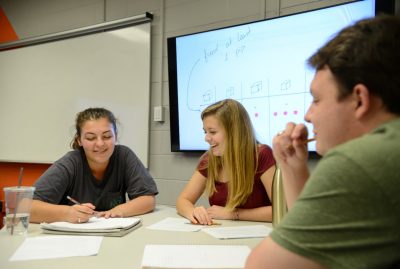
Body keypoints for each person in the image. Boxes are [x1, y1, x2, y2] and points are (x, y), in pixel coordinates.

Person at [245, 15, 400, 269]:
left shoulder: (360, 160)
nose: (308, 115)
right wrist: (294, 169)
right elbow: (314, 245)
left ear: (360, 100)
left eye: (316, 100)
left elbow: (261, 265)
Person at [30, 107, 158, 224]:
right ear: (79, 140)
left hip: (112, 233)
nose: (100, 143)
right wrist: (67, 213)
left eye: (107, 136)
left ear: (116, 136)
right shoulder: (70, 163)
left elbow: (148, 199)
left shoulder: (124, 156)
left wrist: (118, 211)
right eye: (91, 138)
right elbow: (25, 207)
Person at [176, 99, 276, 225]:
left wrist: (234, 214)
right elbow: (183, 200)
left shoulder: (262, 155)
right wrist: (194, 212)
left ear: (235, 131)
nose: (206, 138)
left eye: (212, 132)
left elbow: (282, 211)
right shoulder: (209, 159)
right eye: (205, 132)